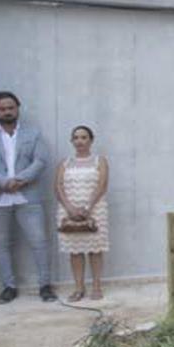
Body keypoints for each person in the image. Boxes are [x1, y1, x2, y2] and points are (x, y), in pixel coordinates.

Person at [0, 91, 56, 303]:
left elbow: (40, 160)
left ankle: (45, 285)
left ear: (17, 108)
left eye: (11, 108)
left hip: (28, 195)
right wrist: (3, 182)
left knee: (39, 241)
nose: (7, 112)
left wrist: (20, 180)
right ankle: (9, 287)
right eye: (2, 109)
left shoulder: (33, 133)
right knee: (0, 245)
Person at [54, 126, 110, 301]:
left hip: (95, 209)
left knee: (95, 249)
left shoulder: (100, 161)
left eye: (84, 137)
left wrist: (88, 207)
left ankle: (96, 286)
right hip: (68, 210)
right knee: (75, 250)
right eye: (76, 137)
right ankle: (79, 288)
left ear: (91, 140)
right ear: (72, 141)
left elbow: (102, 185)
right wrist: (69, 208)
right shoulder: (64, 163)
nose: (80, 141)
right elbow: (58, 186)